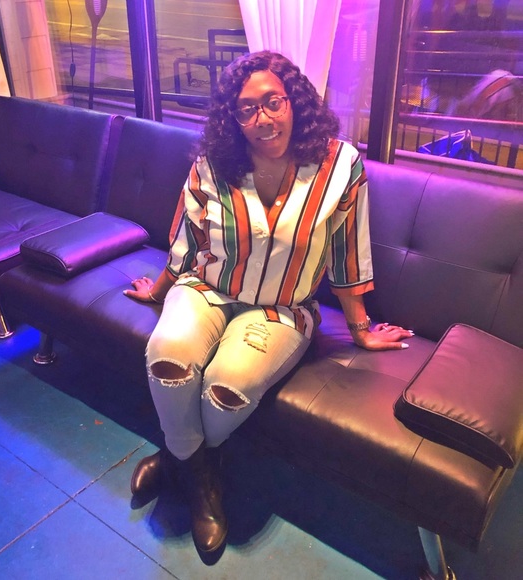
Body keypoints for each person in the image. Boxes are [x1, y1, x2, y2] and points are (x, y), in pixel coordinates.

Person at [124, 50, 413, 554]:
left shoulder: (340, 165)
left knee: (227, 387)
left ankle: (177, 459)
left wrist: (361, 328)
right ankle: (202, 482)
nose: (262, 118)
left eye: (273, 102)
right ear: (232, 120)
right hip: (205, 289)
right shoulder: (212, 165)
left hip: (283, 309)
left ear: (294, 101)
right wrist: (160, 288)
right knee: (167, 356)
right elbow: (187, 241)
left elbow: (347, 252)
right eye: (246, 109)